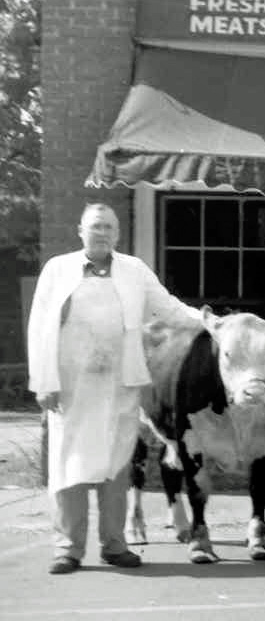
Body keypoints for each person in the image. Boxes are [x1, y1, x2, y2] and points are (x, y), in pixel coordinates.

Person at [27, 203, 204, 575]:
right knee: (69, 468)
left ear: (118, 234)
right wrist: (43, 382)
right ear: (80, 230)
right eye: (95, 226)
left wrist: (211, 322)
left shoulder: (135, 271)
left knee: (116, 468)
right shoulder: (57, 270)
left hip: (119, 388)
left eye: (108, 227)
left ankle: (115, 544)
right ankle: (68, 549)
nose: (102, 233)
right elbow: (39, 329)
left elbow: (168, 308)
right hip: (70, 389)